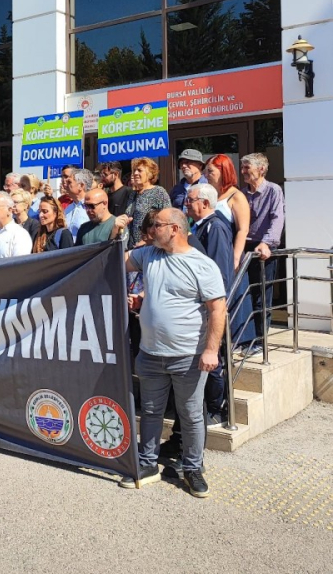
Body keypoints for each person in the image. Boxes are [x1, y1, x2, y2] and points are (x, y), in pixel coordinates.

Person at [120, 209, 226, 498]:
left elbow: (218, 310)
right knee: (151, 411)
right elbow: (116, 261)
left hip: (188, 356)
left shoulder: (202, 265)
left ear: (175, 229)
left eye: (156, 225)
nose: (150, 230)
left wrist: (211, 350)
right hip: (150, 353)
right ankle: (147, 463)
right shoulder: (148, 255)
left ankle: (193, 468)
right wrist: (114, 233)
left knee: (190, 415)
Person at [186, 183, 236, 423]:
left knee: (213, 358)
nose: (186, 204)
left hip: (211, 305)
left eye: (190, 200)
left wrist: (214, 304)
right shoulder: (198, 226)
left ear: (205, 203)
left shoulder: (215, 227)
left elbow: (218, 270)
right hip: (199, 304)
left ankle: (217, 409)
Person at [240, 152, 285, 346]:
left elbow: (277, 219)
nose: (243, 171)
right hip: (244, 247)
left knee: (262, 296)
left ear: (261, 169)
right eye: (242, 167)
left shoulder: (273, 190)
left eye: (247, 167)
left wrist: (267, 242)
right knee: (245, 294)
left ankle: (260, 341)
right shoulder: (242, 193)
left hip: (264, 248)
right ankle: (245, 338)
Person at [203, 154, 251, 271]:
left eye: (210, 171)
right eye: (205, 171)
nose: (206, 175)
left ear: (223, 171)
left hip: (227, 255)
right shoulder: (209, 195)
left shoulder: (236, 196)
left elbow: (243, 230)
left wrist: (235, 259)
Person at [124, 157, 171, 249]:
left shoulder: (158, 192)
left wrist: (148, 239)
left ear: (149, 174)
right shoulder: (133, 194)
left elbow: (167, 220)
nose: (135, 173)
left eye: (139, 170)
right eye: (134, 170)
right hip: (132, 247)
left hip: (150, 246)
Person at [63, 168, 94, 238]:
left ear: (81, 186)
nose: (65, 185)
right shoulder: (67, 209)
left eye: (69, 182)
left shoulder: (92, 208)